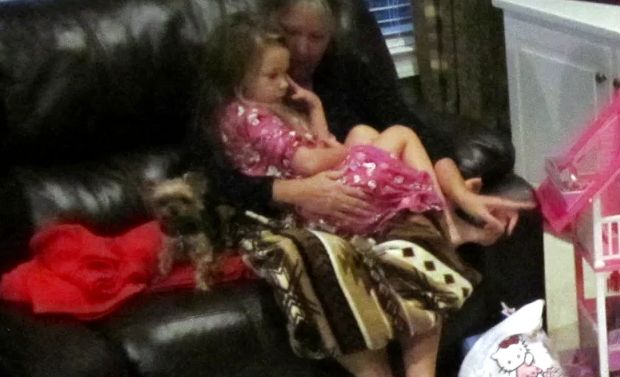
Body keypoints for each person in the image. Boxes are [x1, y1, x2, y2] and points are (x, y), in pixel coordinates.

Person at [193, 0, 534, 377]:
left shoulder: (344, 69)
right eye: (292, 32)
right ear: (270, 23)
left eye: (317, 37)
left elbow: (412, 128)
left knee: (414, 238)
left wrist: (455, 190)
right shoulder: (242, 80)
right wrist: (295, 191)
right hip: (283, 209)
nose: (303, 49)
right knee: (323, 261)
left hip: (356, 198)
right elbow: (212, 174)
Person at [207, 18, 503, 247]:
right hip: (314, 207)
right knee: (400, 134)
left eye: (285, 73)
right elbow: (309, 162)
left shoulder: (267, 107)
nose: (284, 83)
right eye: (273, 76)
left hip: (320, 192)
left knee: (362, 131)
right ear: (239, 78)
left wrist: (315, 108)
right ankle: (446, 220)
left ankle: (433, 201)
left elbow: (321, 147)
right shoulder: (250, 118)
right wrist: (355, 153)